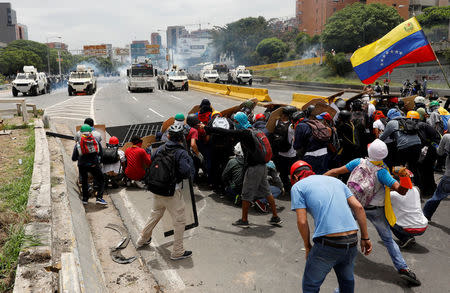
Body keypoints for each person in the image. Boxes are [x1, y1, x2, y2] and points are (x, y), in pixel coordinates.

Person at [324, 139, 421, 286]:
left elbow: (335, 172)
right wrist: (404, 176)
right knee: (388, 239)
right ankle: (403, 268)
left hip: (354, 204)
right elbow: (401, 191)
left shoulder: (358, 162)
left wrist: (317, 180)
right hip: (375, 210)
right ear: (385, 154)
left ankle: (332, 254)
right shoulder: (382, 172)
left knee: (345, 231)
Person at [290, 160, 372, 293]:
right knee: (346, 282)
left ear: (294, 176)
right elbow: (359, 207)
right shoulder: (336, 182)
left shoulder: (298, 186)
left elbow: (302, 222)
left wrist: (307, 246)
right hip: (351, 241)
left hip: (328, 243)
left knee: (310, 286)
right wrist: (365, 238)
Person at [205, 112, 282, 227]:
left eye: (236, 121)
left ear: (240, 121)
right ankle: (275, 217)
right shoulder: (254, 130)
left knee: (246, 194)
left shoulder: (244, 133)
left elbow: (226, 132)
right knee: (267, 192)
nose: (235, 124)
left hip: (254, 168)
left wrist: (207, 128)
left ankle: (244, 220)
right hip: (262, 166)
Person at [136, 124, 195, 260]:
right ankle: (178, 251)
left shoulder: (160, 148)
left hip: (156, 189)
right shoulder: (181, 152)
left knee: (155, 215)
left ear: (168, 136)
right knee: (179, 221)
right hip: (171, 192)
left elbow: (151, 162)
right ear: (182, 137)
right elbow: (186, 172)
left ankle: (142, 240)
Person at [379, 111, 422, 187]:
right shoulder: (407, 120)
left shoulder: (391, 123)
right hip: (417, 144)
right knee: (414, 166)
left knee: (399, 167)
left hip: (404, 146)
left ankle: (402, 187)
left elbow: (383, 137)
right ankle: (417, 187)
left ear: (389, 117)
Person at [71, 124, 106, 205]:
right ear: (91, 132)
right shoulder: (96, 142)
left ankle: (85, 199)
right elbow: (101, 154)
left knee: (84, 181)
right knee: (101, 179)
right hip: (94, 165)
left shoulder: (78, 144)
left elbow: (74, 158)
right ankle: (99, 198)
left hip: (82, 166)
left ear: (81, 132)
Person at [390, 183, 428, 248]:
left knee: (388, 217)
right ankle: (409, 236)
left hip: (410, 228)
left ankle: (405, 238)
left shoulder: (392, 194)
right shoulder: (416, 190)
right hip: (423, 225)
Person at [423, 133, 450, 221]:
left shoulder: (447, 137)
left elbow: (439, 152)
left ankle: (425, 216)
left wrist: (435, 145)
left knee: (437, 197)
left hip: (448, 176)